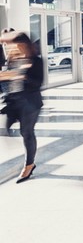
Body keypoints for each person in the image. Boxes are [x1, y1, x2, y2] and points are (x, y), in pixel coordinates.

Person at [0, 32, 43, 184]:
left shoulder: (36, 61)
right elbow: (8, 83)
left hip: (31, 103)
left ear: (24, 45)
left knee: (27, 132)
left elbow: (38, 83)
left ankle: (29, 165)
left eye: (15, 46)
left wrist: (23, 76)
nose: (12, 49)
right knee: (6, 127)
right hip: (14, 102)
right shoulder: (11, 60)